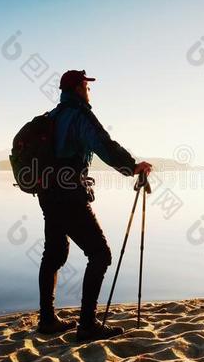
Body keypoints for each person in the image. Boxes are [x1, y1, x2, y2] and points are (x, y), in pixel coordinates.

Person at [36, 69, 152, 341]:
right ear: (78, 88)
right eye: (87, 86)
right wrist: (132, 167)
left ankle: (47, 319)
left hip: (47, 193)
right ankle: (87, 325)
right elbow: (104, 144)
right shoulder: (79, 115)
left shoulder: (53, 117)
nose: (89, 91)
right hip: (68, 194)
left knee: (53, 253)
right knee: (100, 254)